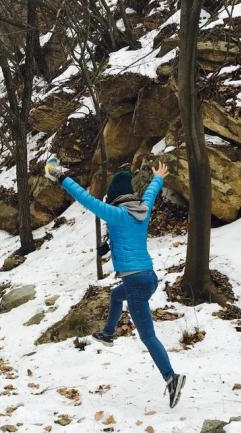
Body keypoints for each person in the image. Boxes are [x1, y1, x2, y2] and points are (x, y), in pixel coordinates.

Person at [44, 156, 187, 409]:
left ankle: (171, 377)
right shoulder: (143, 208)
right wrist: (158, 177)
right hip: (149, 277)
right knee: (115, 296)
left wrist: (60, 176)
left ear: (114, 198)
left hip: (135, 281)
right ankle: (108, 333)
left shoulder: (115, 213)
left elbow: (85, 199)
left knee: (148, 336)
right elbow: (151, 193)